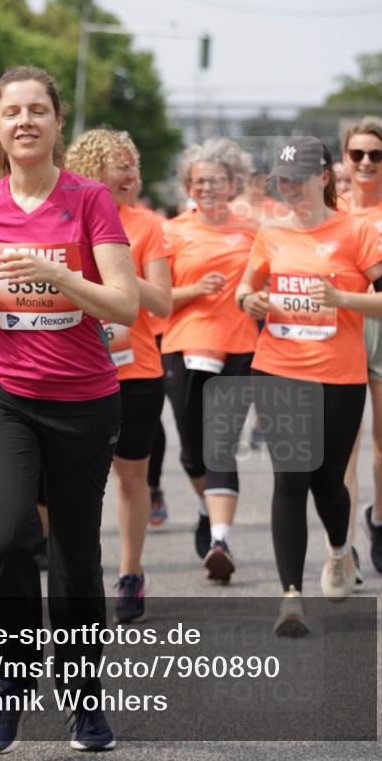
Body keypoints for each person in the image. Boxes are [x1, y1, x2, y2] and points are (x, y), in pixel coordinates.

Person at [0, 65, 138, 753]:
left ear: (57, 122)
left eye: (37, 110)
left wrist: (58, 274)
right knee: (7, 531)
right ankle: (10, 680)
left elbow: (124, 305)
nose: (24, 121)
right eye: (11, 112)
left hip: (84, 399)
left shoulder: (89, 201)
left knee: (76, 554)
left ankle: (84, 698)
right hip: (4, 392)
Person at [235, 137, 382, 635]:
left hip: (338, 375)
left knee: (328, 484)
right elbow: (245, 286)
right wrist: (250, 302)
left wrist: (342, 296)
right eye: (282, 181)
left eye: (298, 180)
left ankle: (339, 550)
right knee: (290, 479)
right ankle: (290, 599)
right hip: (278, 367)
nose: (289, 189)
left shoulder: (357, 230)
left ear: (323, 178)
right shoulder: (271, 232)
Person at [65, 127, 171, 622]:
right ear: (92, 170)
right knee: (73, 483)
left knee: (132, 480)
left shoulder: (147, 224)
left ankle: (130, 572)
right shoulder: (64, 217)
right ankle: (70, 572)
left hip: (137, 370)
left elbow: (164, 303)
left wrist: (121, 266)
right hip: (75, 368)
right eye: (120, 165)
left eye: (135, 166)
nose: (132, 175)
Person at [161, 138, 259, 581]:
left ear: (234, 184)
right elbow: (155, 301)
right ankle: (205, 507)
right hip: (183, 347)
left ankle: (220, 540)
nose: (208, 188)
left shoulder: (255, 231)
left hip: (239, 349)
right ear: (188, 186)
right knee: (191, 452)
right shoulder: (172, 231)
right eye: (199, 181)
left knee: (221, 445)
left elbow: (273, 280)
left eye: (217, 180)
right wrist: (194, 291)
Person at [339, 119, 382, 577]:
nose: (365, 162)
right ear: (344, 159)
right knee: (346, 449)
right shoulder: (329, 211)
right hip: (339, 333)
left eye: (374, 155)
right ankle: (345, 547)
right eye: (357, 154)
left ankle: (378, 522)